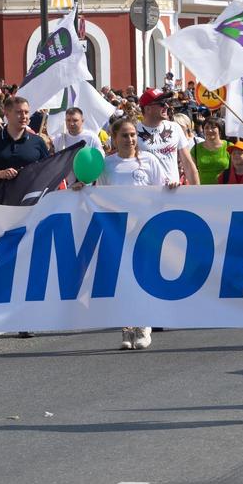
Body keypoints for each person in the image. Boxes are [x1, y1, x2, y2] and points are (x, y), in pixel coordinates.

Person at [95, 119, 176, 351]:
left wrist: (170, 185)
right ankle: (127, 325)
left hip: (146, 226)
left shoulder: (150, 160)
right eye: (125, 135)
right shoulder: (107, 165)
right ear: (114, 137)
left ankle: (144, 324)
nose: (130, 140)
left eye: (133, 135)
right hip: (118, 229)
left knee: (143, 275)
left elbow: (162, 188)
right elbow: (99, 196)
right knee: (122, 279)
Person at [0, 95, 50, 201]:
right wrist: (0, 174)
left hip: (31, 207)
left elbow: (49, 172)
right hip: (1, 206)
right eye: (19, 112)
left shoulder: (38, 141)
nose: (24, 116)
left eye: (26, 112)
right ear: (7, 114)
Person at [136, 89, 201, 186]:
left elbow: (188, 164)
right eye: (162, 103)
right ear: (148, 109)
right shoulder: (133, 132)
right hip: (146, 194)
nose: (166, 106)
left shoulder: (175, 128)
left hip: (172, 193)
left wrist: (197, 193)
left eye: (167, 102)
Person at [189, 118, 230, 185]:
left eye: (213, 127)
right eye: (206, 128)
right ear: (203, 130)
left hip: (225, 189)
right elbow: (191, 171)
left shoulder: (229, 146)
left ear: (219, 130)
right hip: (203, 191)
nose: (210, 130)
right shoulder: (196, 149)